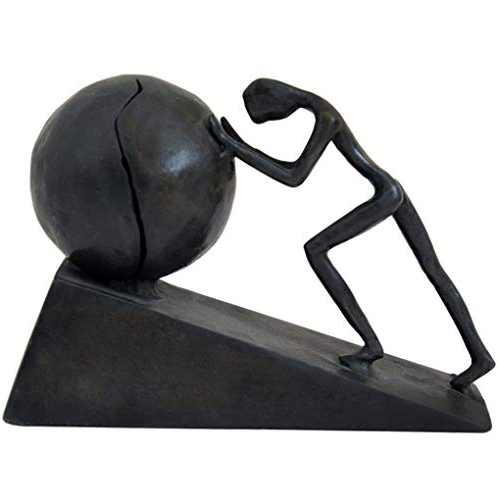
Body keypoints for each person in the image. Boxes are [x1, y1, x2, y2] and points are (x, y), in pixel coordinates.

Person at [209, 78, 494, 391]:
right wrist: (240, 145)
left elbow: (293, 175)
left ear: (272, 98)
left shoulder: (326, 116)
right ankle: (479, 356)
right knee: (433, 269)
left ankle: (371, 346)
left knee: (317, 250)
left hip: (388, 195)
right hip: (391, 190)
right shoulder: (320, 109)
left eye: (262, 111)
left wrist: (237, 147)